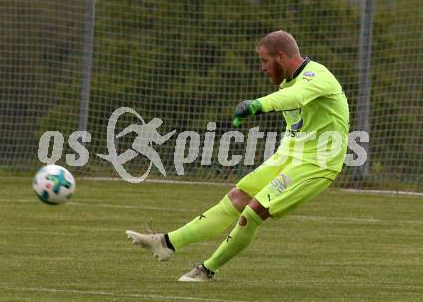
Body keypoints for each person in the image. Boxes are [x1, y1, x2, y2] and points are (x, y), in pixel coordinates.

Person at [126, 30, 349, 282]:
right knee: (236, 198)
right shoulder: (288, 81)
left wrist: (258, 104)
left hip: (316, 164)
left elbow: (296, 96)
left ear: (281, 57)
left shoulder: (318, 76)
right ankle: (166, 243)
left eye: (265, 61)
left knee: (252, 212)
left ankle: (206, 270)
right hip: (289, 155)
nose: (262, 68)